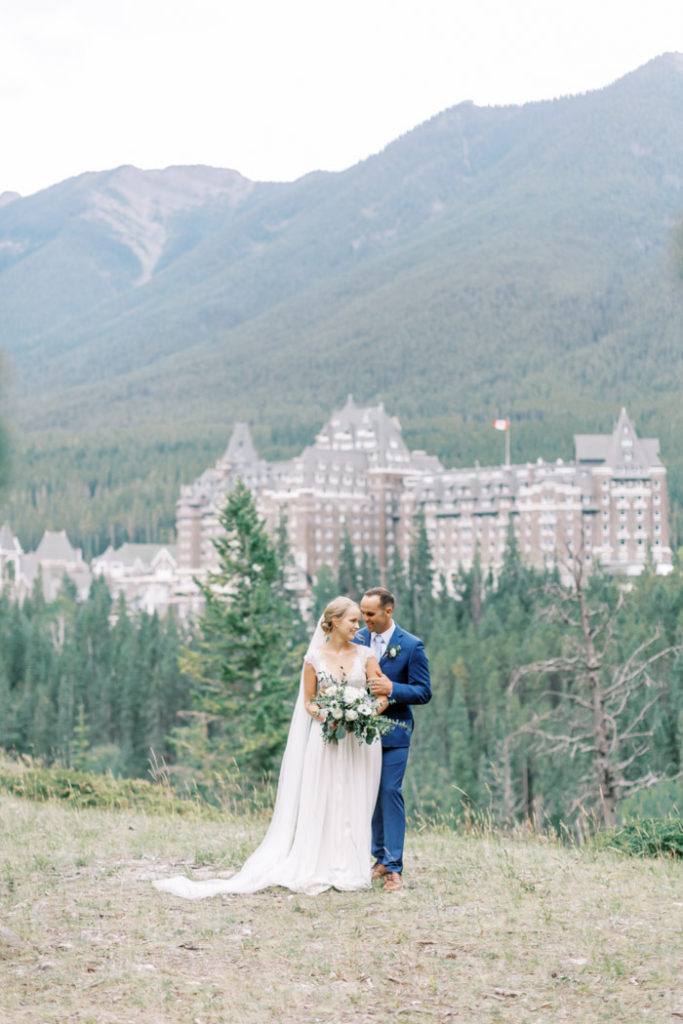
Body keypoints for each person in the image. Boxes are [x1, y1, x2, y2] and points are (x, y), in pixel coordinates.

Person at [153, 596, 385, 898]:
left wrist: (364, 713)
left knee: (353, 797)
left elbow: (382, 695)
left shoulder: (366, 655)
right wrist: (330, 715)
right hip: (325, 740)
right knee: (322, 797)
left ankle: (351, 867)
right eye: (353, 620)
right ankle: (320, 863)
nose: (359, 626)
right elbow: (309, 702)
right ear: (336, 622)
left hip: (357, 742)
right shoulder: (314, 658)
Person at [355, 586, 431, 893]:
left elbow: (423, 692)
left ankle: (394, 866)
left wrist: (392, 688)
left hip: (395, 732)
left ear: (389, 611)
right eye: (362, 612)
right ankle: (379, 858)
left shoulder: (411, 646)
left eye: (370, 613)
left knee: (390, 791)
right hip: (360, 731)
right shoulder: (356, 639)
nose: (364, 618)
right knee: (369, 795)